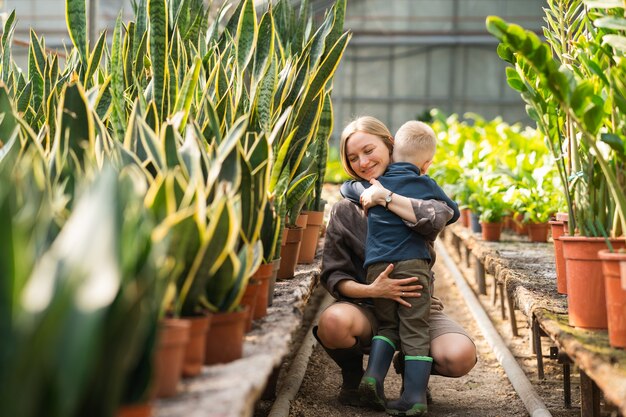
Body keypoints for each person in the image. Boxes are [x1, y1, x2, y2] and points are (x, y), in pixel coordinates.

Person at [312, 116, 476, 415]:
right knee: (333, 323)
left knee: (460, 356)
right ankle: (354, 381)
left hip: (416, 300)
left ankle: (411, 371)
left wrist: (386, 198)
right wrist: (373, 289)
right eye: (353, 157)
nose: (362, 161)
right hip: (367, 306)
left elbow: (439, 216)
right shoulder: (345, 209)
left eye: (369, 150)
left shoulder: (419, 193)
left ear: (390, 146)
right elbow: (334, 275)